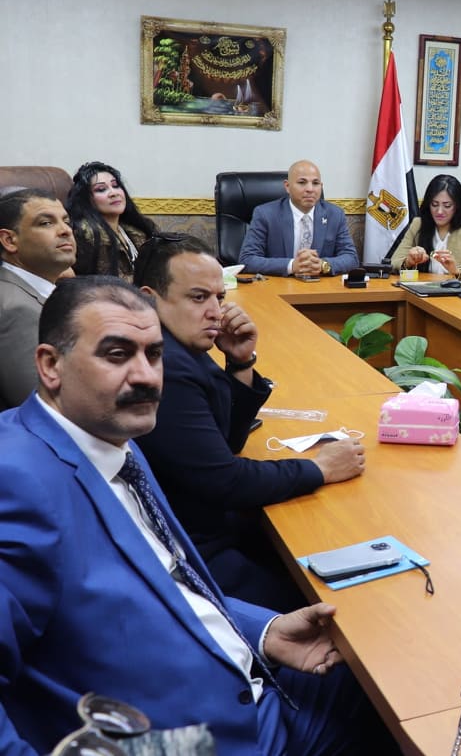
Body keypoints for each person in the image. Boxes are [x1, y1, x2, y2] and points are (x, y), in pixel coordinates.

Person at [0, 277, 392, 754]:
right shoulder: (15, 480)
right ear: (50, 365)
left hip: (251, 684)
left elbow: (166, 583)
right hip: (192, 741)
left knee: (397, 672)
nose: (146, 376)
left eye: (154, 354)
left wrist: (264, 633)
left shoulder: (111, 438)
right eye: (117, 355)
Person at [132, 234, 365, 611]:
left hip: (210, 525)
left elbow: (227, 442)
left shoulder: (178, 345)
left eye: (219, 297)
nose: (216, 312)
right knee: (339, 601)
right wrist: (319, 468)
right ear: (149, 299)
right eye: (198, 297)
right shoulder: (165, 367)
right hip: (196, 554)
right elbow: (226, 480)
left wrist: (241, 362)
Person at [0, 189, 76, 410]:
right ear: (9, 240)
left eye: (66, 221)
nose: (65, 230)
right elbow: (46, 408)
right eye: (46, 223)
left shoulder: (38, 291)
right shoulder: (17, 309)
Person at [238, 160, 359, 277]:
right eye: (302, 182)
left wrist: (323, 265)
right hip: (278, 286)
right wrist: (292, 266)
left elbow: (351, 258)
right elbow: (247, 260)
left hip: (320, 286)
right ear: (287, 186)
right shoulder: (265, 214)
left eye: (315, 183)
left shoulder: (335, 214)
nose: (310, 189)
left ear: (321, 186)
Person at [388, 174, 461, 280]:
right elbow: (393, 263)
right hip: (421, 288)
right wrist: (408, 262)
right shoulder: (418, 224)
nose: (439, 211)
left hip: (456, 290)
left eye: (447, 206)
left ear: (457, 206)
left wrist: (457, 270)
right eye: (434, 205)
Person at [66, 161, 156, 281]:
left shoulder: (137, 231)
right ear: (86, 199)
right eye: (101, 189)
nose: (113, 193)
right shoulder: (85, 235)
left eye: (115, 185)